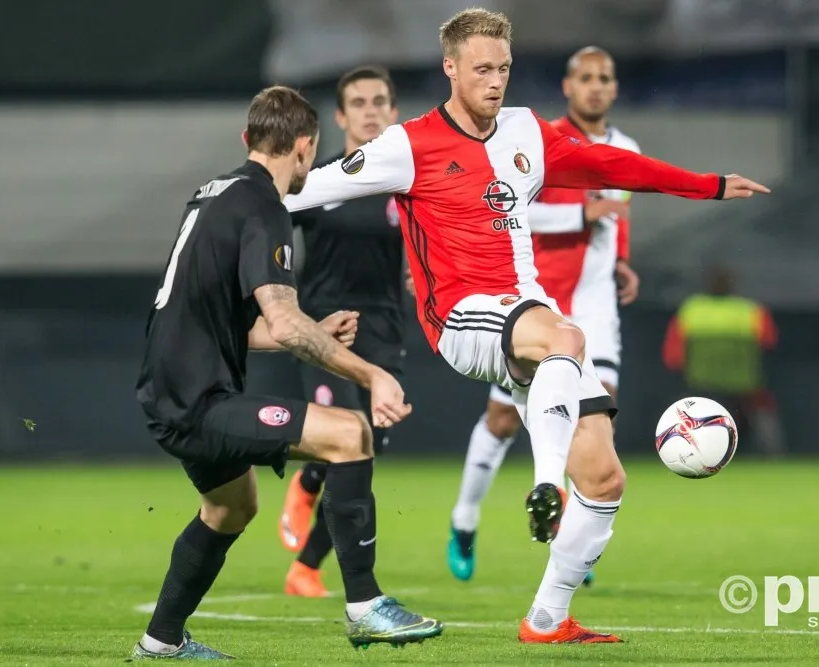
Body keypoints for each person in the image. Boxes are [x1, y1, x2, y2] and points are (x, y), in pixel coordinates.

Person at [284, 8, 769, 645]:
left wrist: (705, 185)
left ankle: (547, 618)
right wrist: (221, 206)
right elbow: (303, 191)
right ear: (450, 68)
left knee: (604, 478)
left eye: (504, 68)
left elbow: (608, 166)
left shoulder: (524, 132)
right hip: (458, 319)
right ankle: (544, 486)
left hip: (522, 316)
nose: (495, 81)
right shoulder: (408, 145)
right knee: (567, 337)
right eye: (482, 68)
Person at [131, 86, 442, 659]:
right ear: (305, 147)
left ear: (247, 139)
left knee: (232, 508)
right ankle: (367, 607)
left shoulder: (212, 194)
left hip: (171, 389)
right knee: (350, 434)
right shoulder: (264, 206)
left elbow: (238, 322)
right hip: (198, 401)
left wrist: (314, 328)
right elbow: (285, 321)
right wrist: (372, 373)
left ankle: (161, 641)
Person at [446, 46, 640, 587]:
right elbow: (513, 210)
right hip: (538, 305)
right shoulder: (535, 140)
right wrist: (583, 211)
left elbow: (620, 213)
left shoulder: (625, 147)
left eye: (605, 77)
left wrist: (622, 259)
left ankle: (572, 543)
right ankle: (465, 519)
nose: (596, 87)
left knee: (599, 418)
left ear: (614, 88)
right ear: (568, 85)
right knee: (504, 420)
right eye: (586, 78)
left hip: (595, 307)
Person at [277, 65, 406, 599]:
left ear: (394, 112)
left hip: (385, 325)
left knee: (369, 447)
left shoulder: (407, 186)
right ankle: (307, 506)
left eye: (379, 101)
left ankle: (306, 562)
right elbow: (271, 227)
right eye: (359, 102)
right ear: (340, 115)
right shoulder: (319, 180)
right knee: (343, 437)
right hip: (324, 325)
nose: (370, 110)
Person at [663, 265, 785, 456]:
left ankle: (678, 449)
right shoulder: (750, 311)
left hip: (701, 385)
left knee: (681, 407)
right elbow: (771, 344)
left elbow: (673, 358)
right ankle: (772, 454)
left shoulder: (691, 310)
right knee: (763, 408)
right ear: (734, 286)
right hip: (744, 384)